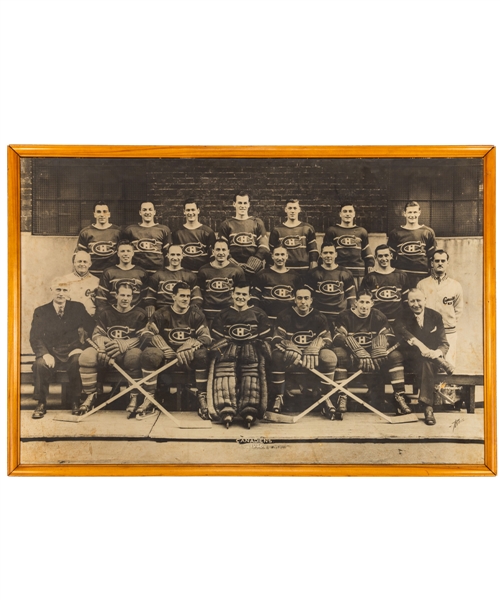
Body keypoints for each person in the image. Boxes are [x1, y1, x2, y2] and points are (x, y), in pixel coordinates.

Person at [332, 289, 412, 416]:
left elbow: (390, 336)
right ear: (356, 302)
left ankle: (399, 397)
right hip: (353, 355)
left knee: (396, 356)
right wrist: (356, 349)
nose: (364, 306)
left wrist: (379, 347)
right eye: (361, 302)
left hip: (374, 358)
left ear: (372, 303)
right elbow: (337, 338)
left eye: (367, 302)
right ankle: (342, 396)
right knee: (339, 354)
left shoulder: (378, 316)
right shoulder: (344, 316)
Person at [138, 282, 212, 420]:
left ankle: (202, 396)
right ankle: (150, 397)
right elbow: (145, 334)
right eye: (182, 296)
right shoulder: (161, 314)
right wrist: (162, 345)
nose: (185, 299)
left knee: (202, 355)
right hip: (166, 358)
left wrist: (191, 344)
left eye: (188, 296)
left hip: (186, 358)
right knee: (149, 355)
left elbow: (206, 337)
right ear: (173, 296)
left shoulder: (196, 314)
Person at [78, 282, 148, 416]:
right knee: (86, 357)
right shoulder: (106, 312)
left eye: (128, 295)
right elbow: (97, 334)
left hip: (128, 350)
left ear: (132, 297)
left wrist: (125, 344)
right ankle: (91, 395)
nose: (125, 298)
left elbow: (142, 338)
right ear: (116, 295)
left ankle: (134, 396)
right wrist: (104, 348)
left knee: (134, 358)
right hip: (108, 349)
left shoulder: (140, 313)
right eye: (122, 295)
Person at [29, 277, 95, 418]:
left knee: (78, 361)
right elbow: (35, 337)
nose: (61, 293)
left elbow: (92, 327)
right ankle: (41, 403)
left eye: (65, 290)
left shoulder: (77, 307)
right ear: (52, 290)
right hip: (51, 352)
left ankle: (75, 401)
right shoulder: (41, 311)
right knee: (39, 364)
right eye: (58, 289)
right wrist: (45, 354)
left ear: (69, 291)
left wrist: (82, 347)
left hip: (72, 350)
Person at [269, 287, 338, 418]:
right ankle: (279, 397)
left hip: (313, 354)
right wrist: (288, 345)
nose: (303, 301)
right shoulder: (285, 315)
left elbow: (328, 339)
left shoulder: (319, 316)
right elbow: (276, 338)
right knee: (276, 356)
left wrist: (318, 345)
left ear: (311, 300)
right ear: (294, 299)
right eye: (299, 298)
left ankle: (326, 397)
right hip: (292, 355)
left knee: (329, 357)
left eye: (306, 298)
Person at [210, 283, 272, 428]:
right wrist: (221, 349)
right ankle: (226, 409)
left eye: (244, 294)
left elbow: (266, 337)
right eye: (238, 294)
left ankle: (249, 408)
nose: (240, 297)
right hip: (228, 350)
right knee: (224, 369)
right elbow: (216, 340)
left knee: (251, 370)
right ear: (232, 294)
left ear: (249, 296)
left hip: (251, 351)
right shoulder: (223, 314)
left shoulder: (258, 313)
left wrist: (259, 346)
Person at [394, 288, 452, 426]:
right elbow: (403, 334)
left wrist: (436, 353)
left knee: (426, 361)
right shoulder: (402, 316)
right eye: (412, 301)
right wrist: (420, 347)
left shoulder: (435, 316)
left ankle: (427, 407)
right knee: (424, 360)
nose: (416, 304)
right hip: (410, 358)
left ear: (425, 300)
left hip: (429, 360)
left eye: (418, 300)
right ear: (407, 302)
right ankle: (428, 408)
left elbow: (444, 343)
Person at [417, 249, 463, 367]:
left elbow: (458, 309)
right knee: (430, 364)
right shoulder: (422, 284)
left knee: (448, 365)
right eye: (437, 261)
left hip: (448, 331)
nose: (440, 263)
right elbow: (418, 308)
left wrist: (449, 323)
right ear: (432, 263)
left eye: (443, 261)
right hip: (429, 331)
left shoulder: (455, 285)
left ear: (447, 263)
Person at [323, 202, 375, 288]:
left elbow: (367, 253)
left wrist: (370, 264)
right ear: (340, 214)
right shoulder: (332, 231)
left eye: (350, 211)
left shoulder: (361, 231)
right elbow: (325, 252)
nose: (347, 214)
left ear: (354, 214)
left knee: (356, 297)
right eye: (345, 211)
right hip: (338, 271)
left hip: (357, 271)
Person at [218, 192, 270, 277]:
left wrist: (253, 263)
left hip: (253, 269)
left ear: (249, 204)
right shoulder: (226, 224)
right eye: (240, 203)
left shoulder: (257, 223)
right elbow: (221, 247)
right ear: (234, 204)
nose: (242, 206)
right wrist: (233, 264)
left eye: (245, 203)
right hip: (232, 269)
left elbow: (264, 247)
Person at [144, 244, 202, 318]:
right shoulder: (158, 274)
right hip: (162, 311)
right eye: (172, 254)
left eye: (178, 255)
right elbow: (150, 296)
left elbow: (197, 298)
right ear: (168, 255)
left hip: (182, 312)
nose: (175, 258)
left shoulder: (190, 275)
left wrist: (191, 310)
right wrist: (150, 306)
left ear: (182, 256)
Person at [305, 242, 356, 326]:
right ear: (321, 255)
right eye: (325, 253)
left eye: (331, 253)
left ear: (336, 254)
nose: (328, 255)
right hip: (319, 316)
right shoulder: (314, 273)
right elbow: (308, 296)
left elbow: (351, 297)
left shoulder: (345, 273)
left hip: (339, 316)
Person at [197, 239, 246, 326]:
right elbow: (201, 291)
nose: (221, 253)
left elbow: (241, 293)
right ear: (213, 252)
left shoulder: (237, 270)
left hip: (230, 312)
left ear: (228, 252)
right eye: (218, 250)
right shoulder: (203, 270)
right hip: (209, 313)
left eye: (223, 250)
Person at [387, 201, 436, 287]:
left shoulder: (427, 232)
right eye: (409, 212)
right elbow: (390, 257)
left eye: (415, 212)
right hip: (402, 275)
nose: (412, 215)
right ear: (404, 213)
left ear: (419, 213)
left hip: (422, 275)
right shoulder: (395, 233)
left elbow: (432, 256)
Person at [95, 238, 150, 313]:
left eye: (128, 251)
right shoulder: (109, 272)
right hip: (113, 313)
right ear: (118, 253)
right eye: (122, 251)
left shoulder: (141, 273)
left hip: (135, 313)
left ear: (133, 253)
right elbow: (101, 298)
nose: (125, 254)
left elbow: (145, 298)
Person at [251, 245, 303, 321]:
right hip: (267, 317)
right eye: (277, 254)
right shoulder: (263, 274)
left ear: (287, 256)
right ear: (272, 256)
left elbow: (300, 298)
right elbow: (254, 297)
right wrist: (259, 314)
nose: (279, 258)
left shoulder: (295, 276)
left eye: (282, 255)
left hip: (288, 319)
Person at [360, 244, 410, 324]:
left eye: (386, 255)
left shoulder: (401, 275)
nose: (383, 259)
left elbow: (406, 301)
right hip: (377, 321)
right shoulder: (369, 278)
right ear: (375, 258)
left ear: (391, 256)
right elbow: (364, 302)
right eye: (380, 256)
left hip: (397, 322)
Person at [268, 199, 318, 272]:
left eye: (295, 208)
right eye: (290, 208)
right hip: (285, 271)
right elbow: (271, 252)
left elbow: (313, 250)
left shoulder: (307, 228)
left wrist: (313, 268)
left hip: (303, 269)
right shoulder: (277, 230)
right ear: (285, 210)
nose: (292, 211)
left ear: (299, 210)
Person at [123, 201, 172, 274]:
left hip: (157, 271)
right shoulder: (130, 230)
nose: (147, 212)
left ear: (154, 212)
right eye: (144, 210)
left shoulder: (164, 230)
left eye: (150, 209)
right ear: (140, 212)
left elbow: (168, 254)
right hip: (136, 272)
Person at [76, 201, 122, 277]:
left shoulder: (118, 232)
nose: (102, 215)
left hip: (112, 274)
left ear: (109, 214)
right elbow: (80, 255)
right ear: (94, 214)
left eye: (104, 212)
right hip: (91, 274)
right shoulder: (86, 232)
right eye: (98, 212)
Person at [172, 199, 216, 273]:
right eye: (188, 210)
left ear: (198, 211)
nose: (190, 213)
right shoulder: (177, 232)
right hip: (183, 273)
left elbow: (212, 256)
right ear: (184, 212)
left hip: (202, 272)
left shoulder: (208, 232)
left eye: (193, 210)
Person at [60, 250, 100, 316]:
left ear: (90, 264)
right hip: (70, 317)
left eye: (85, 262)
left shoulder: (96, 281)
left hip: (90, 317)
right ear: (74, 263)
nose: (82, 264)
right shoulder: (65, 279)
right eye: (79, 261)